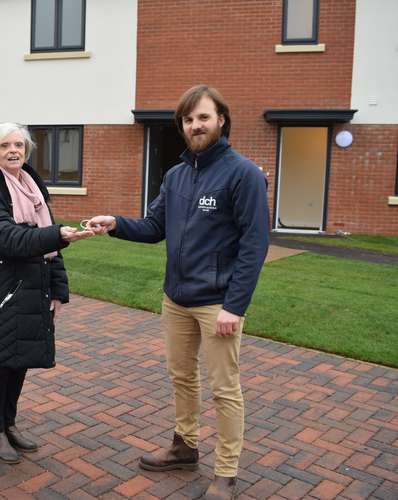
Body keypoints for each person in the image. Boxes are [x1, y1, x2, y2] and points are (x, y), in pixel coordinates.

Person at [86, 85, 269, 500]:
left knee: (225, 388)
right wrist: (115, 223)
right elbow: (154, 228)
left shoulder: (244, 174)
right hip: (177, 299)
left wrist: (234, 307)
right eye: (188, 120)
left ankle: (226, 472)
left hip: (217, 303)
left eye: (203, 117)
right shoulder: (177, 175)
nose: (195, 125)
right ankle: (184, 447)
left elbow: (254, 245)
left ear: (221, 119)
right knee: (181, 377)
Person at [0, 122, 90, 464]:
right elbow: (8, 237)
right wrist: (58, 234)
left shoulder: (33, 188)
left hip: (34, 285)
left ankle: (9, 423)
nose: (13, 150)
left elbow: (51, 249)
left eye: (19, 145)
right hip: (1, 289)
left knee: (20, 359)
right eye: (6, 145)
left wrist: (58, 289)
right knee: (1, 359)